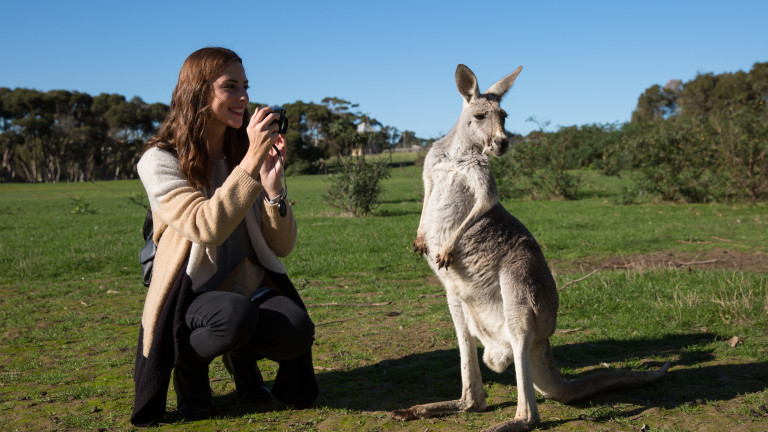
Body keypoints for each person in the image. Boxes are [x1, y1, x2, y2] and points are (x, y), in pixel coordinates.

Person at [130, 47, 318, 427]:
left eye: (245, 86)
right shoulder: (160, 160)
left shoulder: (242, 155)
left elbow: (281, 247)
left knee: (296, 331)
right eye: (229, 86)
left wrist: (272, 186)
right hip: (192, 294)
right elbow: (206, 226)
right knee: (233, 316)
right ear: (198, 92)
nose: (244, 97)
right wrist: (251, 164)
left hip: (248, 283)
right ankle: (189, 368)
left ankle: (243, 359)